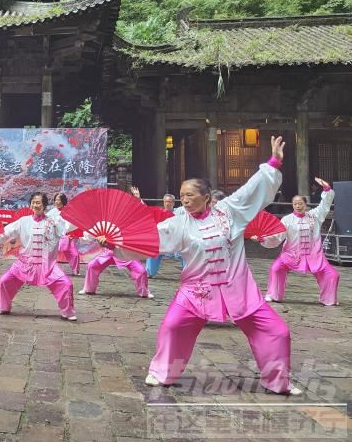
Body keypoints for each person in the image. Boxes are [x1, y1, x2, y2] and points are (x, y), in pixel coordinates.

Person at [122, 136, 300, 395]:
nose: (184, 200)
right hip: (196, 292)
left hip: (239, 289)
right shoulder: (179, 222)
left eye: (190, 195)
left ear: (206, 197)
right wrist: (116, 243)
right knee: (172, 326)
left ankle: (278, 381)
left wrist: (273, 162)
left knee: (278, 332)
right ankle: (162, 372)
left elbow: (252, 190)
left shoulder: (229, 212)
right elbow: (151, 236)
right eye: (182, 195)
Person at [0, 192, 77, 320]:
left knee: (66, 284)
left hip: (48, 265)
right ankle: (3, 307)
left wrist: (81, 217)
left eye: (38, 202)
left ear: (44, 205)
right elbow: (5, 233)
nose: (35, 205)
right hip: (24, 264)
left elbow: (69, 225)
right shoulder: (23, 221)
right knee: (5, 280)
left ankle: (68, 312)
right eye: (33, 202)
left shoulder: (53, 222)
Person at [261, 177, 339, 306]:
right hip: (291, 254)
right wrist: (263, 238)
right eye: (295, 204)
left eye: (300, 203)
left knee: (333, 275)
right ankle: (273, 294)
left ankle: (328, 299)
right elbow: (278, 235)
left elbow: (324, 205)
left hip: (314, 255)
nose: (298, 206)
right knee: (275, 269)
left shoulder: (314, 215)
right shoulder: (287, 219)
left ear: (305, 204)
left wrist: (326, 189)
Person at [145, 193, 186, 277]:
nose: (168, 204)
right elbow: (146, 210)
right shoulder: (158, 212)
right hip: (162, 240)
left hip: (176, 240)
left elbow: (188, 206)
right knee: (153, 250)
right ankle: (150, 272)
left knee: (187, 252)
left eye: (170, 202)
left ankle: (188, 273)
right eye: (166, 202)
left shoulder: (179, 211)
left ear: (174, 203)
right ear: (163, 202)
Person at [47, 193, 80, 275]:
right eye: (56, 200)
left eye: (59, 200)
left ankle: (75, 270)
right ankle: (48, 269)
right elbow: (46, 222)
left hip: (67, 236)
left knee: (74, 253)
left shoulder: (68, 211)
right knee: (50, 253)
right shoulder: (52, 212)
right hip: (54, 236)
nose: (57, 202)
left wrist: (71, 234)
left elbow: (73, 224)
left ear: (63, 201)